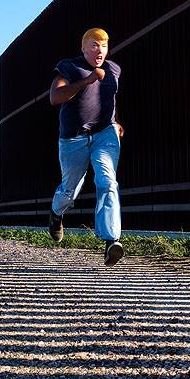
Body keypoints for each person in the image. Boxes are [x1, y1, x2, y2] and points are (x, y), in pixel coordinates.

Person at [48, 27, 124, 266]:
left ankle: (111, 240)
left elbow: (109, 97)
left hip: (104, 134)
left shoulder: (113, 69)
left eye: (103, 45)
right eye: (93, 45)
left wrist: (116, 121)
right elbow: (55, 97)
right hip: (74, 138)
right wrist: (87, 81)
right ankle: (56, 214)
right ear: (83, 48)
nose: (99, 50)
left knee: (107, 181)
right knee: (70, 190)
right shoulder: (69, 67)